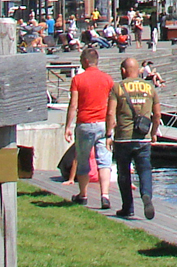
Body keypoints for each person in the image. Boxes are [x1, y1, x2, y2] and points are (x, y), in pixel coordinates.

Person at [107, 57, 161, 220]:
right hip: (143, 138)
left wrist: (109, 133)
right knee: (144, 169)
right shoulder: (150, 87)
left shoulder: (118, 87)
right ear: (138, 71)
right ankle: (146, 195)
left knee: (124, 172)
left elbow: (110, 113)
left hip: (123, 137)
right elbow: (157, 113)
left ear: (123, 70)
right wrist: (153, 133)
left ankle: (127, 207)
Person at [62, 47, 115, 208]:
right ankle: (104, 195)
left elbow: (73, 105)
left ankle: (83, 194)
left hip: (84, 123)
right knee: (104, 161)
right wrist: (112, 125)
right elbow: (112, 104)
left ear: (85, 61)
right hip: (102, 124)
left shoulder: (78, 80)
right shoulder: (108, 79)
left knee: (83, 160)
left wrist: (68, 126)